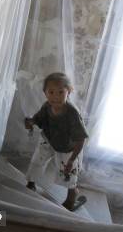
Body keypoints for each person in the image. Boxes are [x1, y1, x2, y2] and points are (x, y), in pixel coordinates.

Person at [25, 72, 89, 211]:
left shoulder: (72, 113)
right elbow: (38, 118)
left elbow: (81, 138)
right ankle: (31, 183)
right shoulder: (47, 106)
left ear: (69, 91)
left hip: (68, 147)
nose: (56, 97)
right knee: (37, 160)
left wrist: (72, 159)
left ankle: (72, 195)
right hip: (49, 139)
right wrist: (31, 122)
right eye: (51, 92)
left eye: (61, 92)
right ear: (45, 93)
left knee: (67, 173)